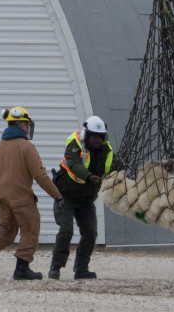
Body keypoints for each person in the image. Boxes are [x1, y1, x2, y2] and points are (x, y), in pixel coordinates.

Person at [0, 106, 62, 281]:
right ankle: (22, 268)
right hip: (21, 197)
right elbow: (39, 176)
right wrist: (57, 195)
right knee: (31, 226)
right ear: (22, 125)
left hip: (1, 196)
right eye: (27, 125)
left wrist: (2, 192)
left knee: (5, 229)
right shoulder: (27, 147)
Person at [48, 115, 114, 280]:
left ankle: (81, 269)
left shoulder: (107, 151)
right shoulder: (75, 144)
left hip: (86, 199)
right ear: (86, 134)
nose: (96, 140)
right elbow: (75, 165)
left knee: (91, 232)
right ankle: (55, 267)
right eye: (93, 136)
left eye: (100, 137)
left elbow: (115, 169)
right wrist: (90, 177)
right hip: (66, 196)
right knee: (66, 231)